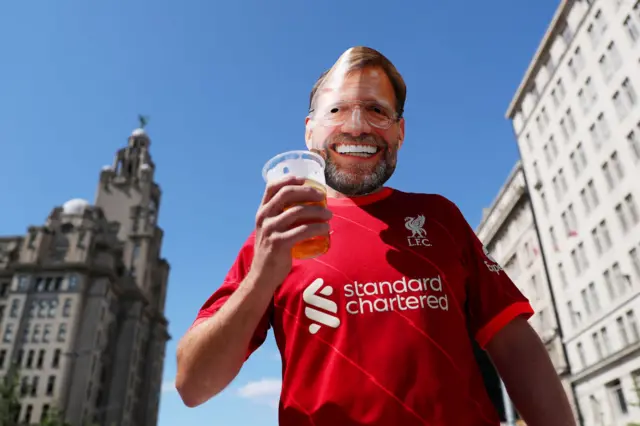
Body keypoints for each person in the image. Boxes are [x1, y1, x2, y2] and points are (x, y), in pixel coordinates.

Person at [176, 46, 576, 426]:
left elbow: (515, 346)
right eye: (337, 109)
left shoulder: (439, 217)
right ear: (309, 131)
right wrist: (263, 275)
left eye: (376, 110)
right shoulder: (277, 235)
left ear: (400, 131)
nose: (357, 126)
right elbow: (193, 386)